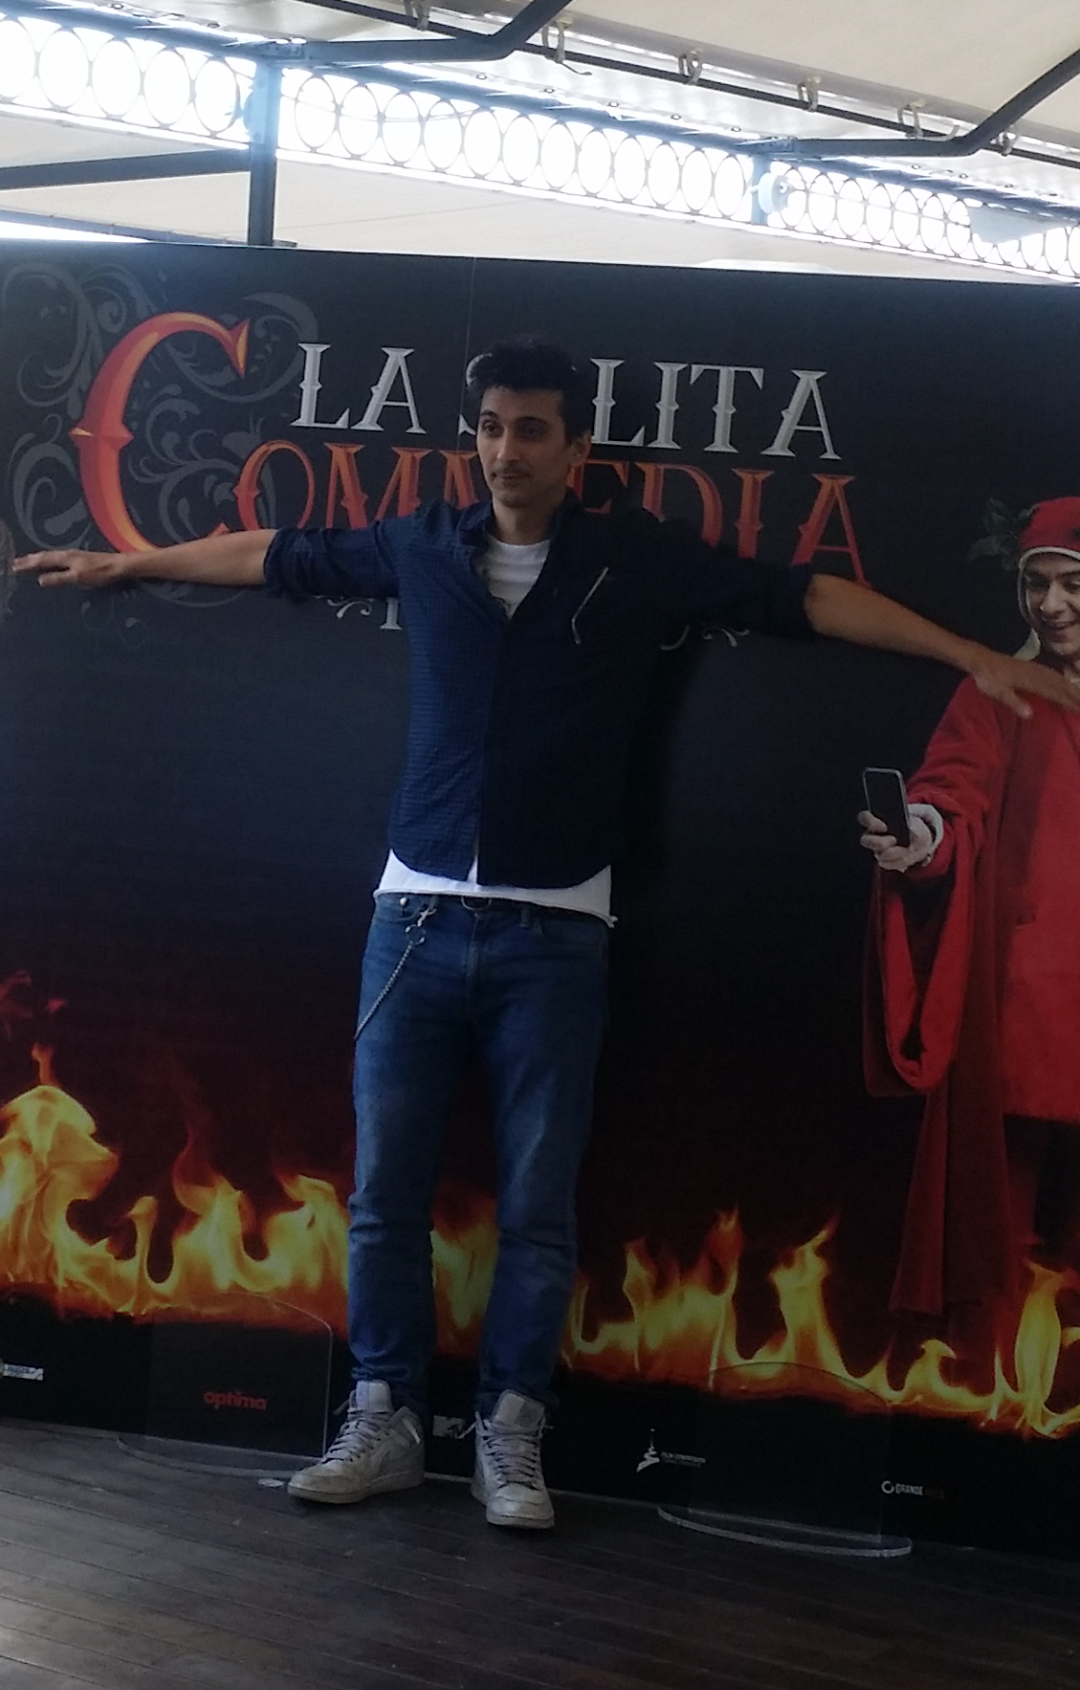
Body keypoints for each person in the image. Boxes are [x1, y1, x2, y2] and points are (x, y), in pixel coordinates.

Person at [17, 342, 1079, 1531]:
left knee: (538, 1207)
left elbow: (807, 601)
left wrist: (970, 655)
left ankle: (511, 1436)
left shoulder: (635, 560)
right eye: (490, 426)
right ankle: (382, 1420)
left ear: (576, 449)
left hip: (558, 933)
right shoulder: (423, 544)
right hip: (411, 924)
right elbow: (273, 555)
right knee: (384, 1197)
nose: (504, 449)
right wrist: (128, 562)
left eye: (530, 430)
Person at [861, 498, 1080, 1325]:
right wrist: (919, 834)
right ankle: (996, 1374)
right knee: (1002, 1228)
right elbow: (951, 790)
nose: (1050, 605)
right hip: (1033, 1000)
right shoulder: (997, 693)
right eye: (1035, 584)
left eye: (1071, 584)